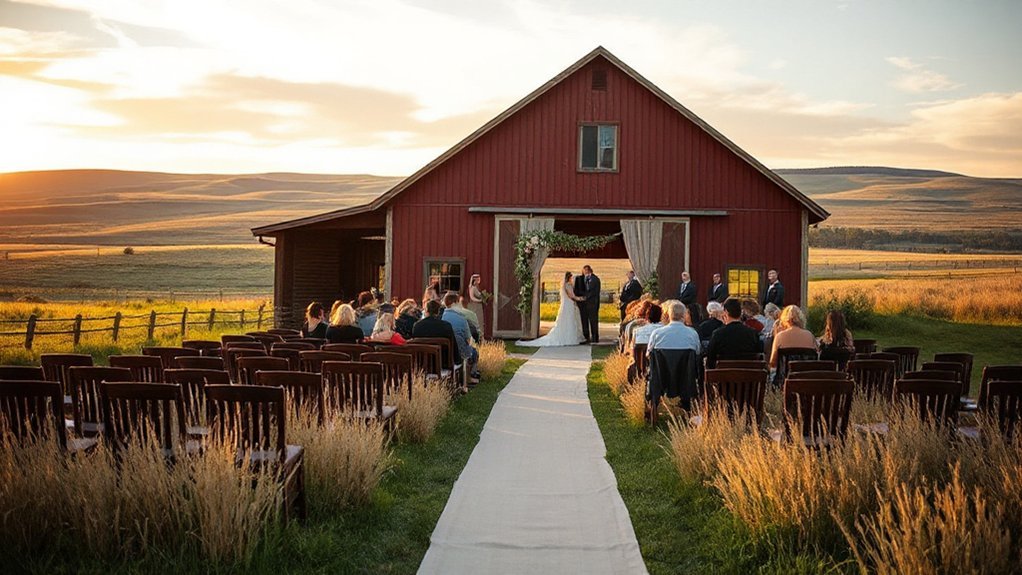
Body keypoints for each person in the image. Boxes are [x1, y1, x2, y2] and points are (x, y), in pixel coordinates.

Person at [517, 271, 584, 347]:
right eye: (571, 277)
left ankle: (567, 336)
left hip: (566, 304)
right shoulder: (568, 285)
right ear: (569, 277)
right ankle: (568, 337)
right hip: (568, 304)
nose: (572, 279)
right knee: (569, 319)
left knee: (567, 320)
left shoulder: (564, 285)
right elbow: (571, 296)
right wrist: (580, 298)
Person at [704, 298, 762, 369]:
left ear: (726, 312)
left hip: (723, 373)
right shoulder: (753, 333)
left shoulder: (718, 334)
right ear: (741, 312)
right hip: (747, 374)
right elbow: (758, 356)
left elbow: (710, 359)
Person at [412, 299, 462, 368]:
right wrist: (458, 360)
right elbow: (454, 346)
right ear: (438, 312)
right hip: (443, 364)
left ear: (426, 310)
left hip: (423, 365)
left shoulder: (417, 326)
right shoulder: (446, 326)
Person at [441, 292, 480, 381]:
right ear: (454, 303)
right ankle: (471, 375)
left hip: (444, 353)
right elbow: (469, 339)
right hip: (460, 353)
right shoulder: (461, 319)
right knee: (474, 351)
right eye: (458, 302)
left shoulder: (441, 317)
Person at [580, 265, 601, 343]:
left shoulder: (595, 279)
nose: (583, 272)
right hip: (585, 304)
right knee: (585, 321)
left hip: (593, 304)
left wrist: (585, 297)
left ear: (587, 270)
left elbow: (593, 292)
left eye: (584, 270)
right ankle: (586, 337)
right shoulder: (584, 279)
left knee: (593, 321)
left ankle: (595, 337)